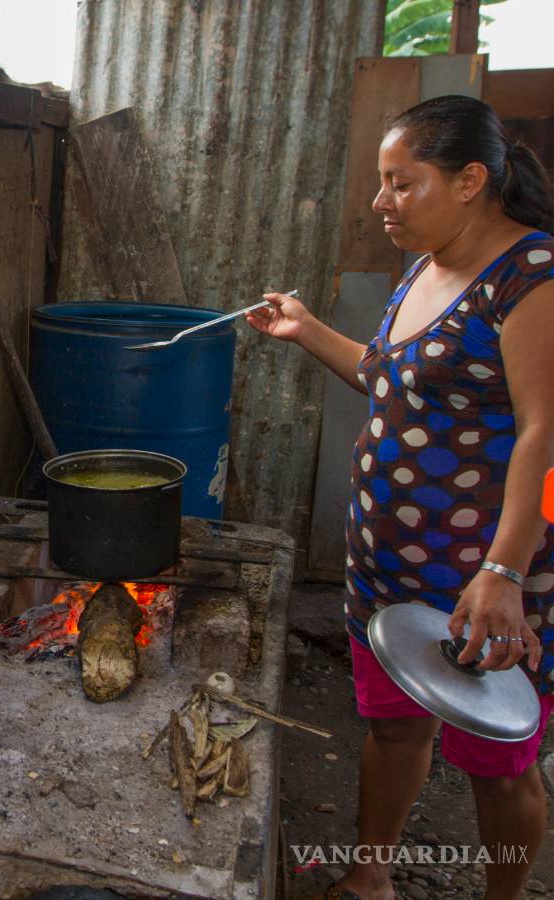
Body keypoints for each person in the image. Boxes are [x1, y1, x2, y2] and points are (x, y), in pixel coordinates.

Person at [247, 95, 554, 900]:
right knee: (392, 726)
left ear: (469, 181)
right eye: (380, 183)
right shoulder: (426, 264)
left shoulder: (530, 276)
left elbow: (543, 432)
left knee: (496, 762)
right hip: (387, 562)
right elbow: (392, 381)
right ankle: (371, 876)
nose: (380, 202)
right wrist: (307, 328)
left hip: (479, 580)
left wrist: (505, 573)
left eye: (399, 182)